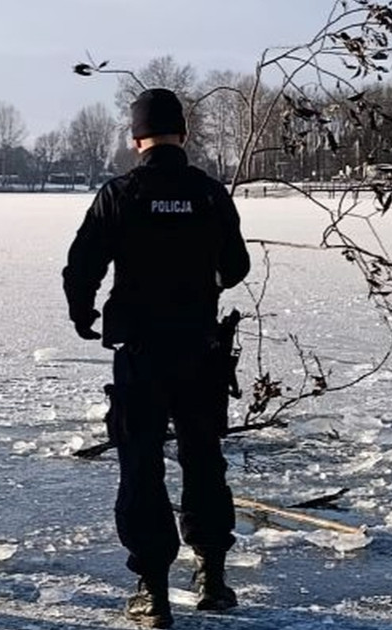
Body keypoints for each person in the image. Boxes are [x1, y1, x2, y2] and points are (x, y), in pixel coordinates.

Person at [62, 88, 251, 628]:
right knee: (203, 458)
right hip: (199, 348)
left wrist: (83, 314)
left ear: (135, 137)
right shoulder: (210, 194)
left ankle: (153, 591)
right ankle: (212, 576)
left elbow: (82, 265)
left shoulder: (121, 193)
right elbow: (236, 265)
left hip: (142, 352)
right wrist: (200, 282)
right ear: (183, 136)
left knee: (141, 465)